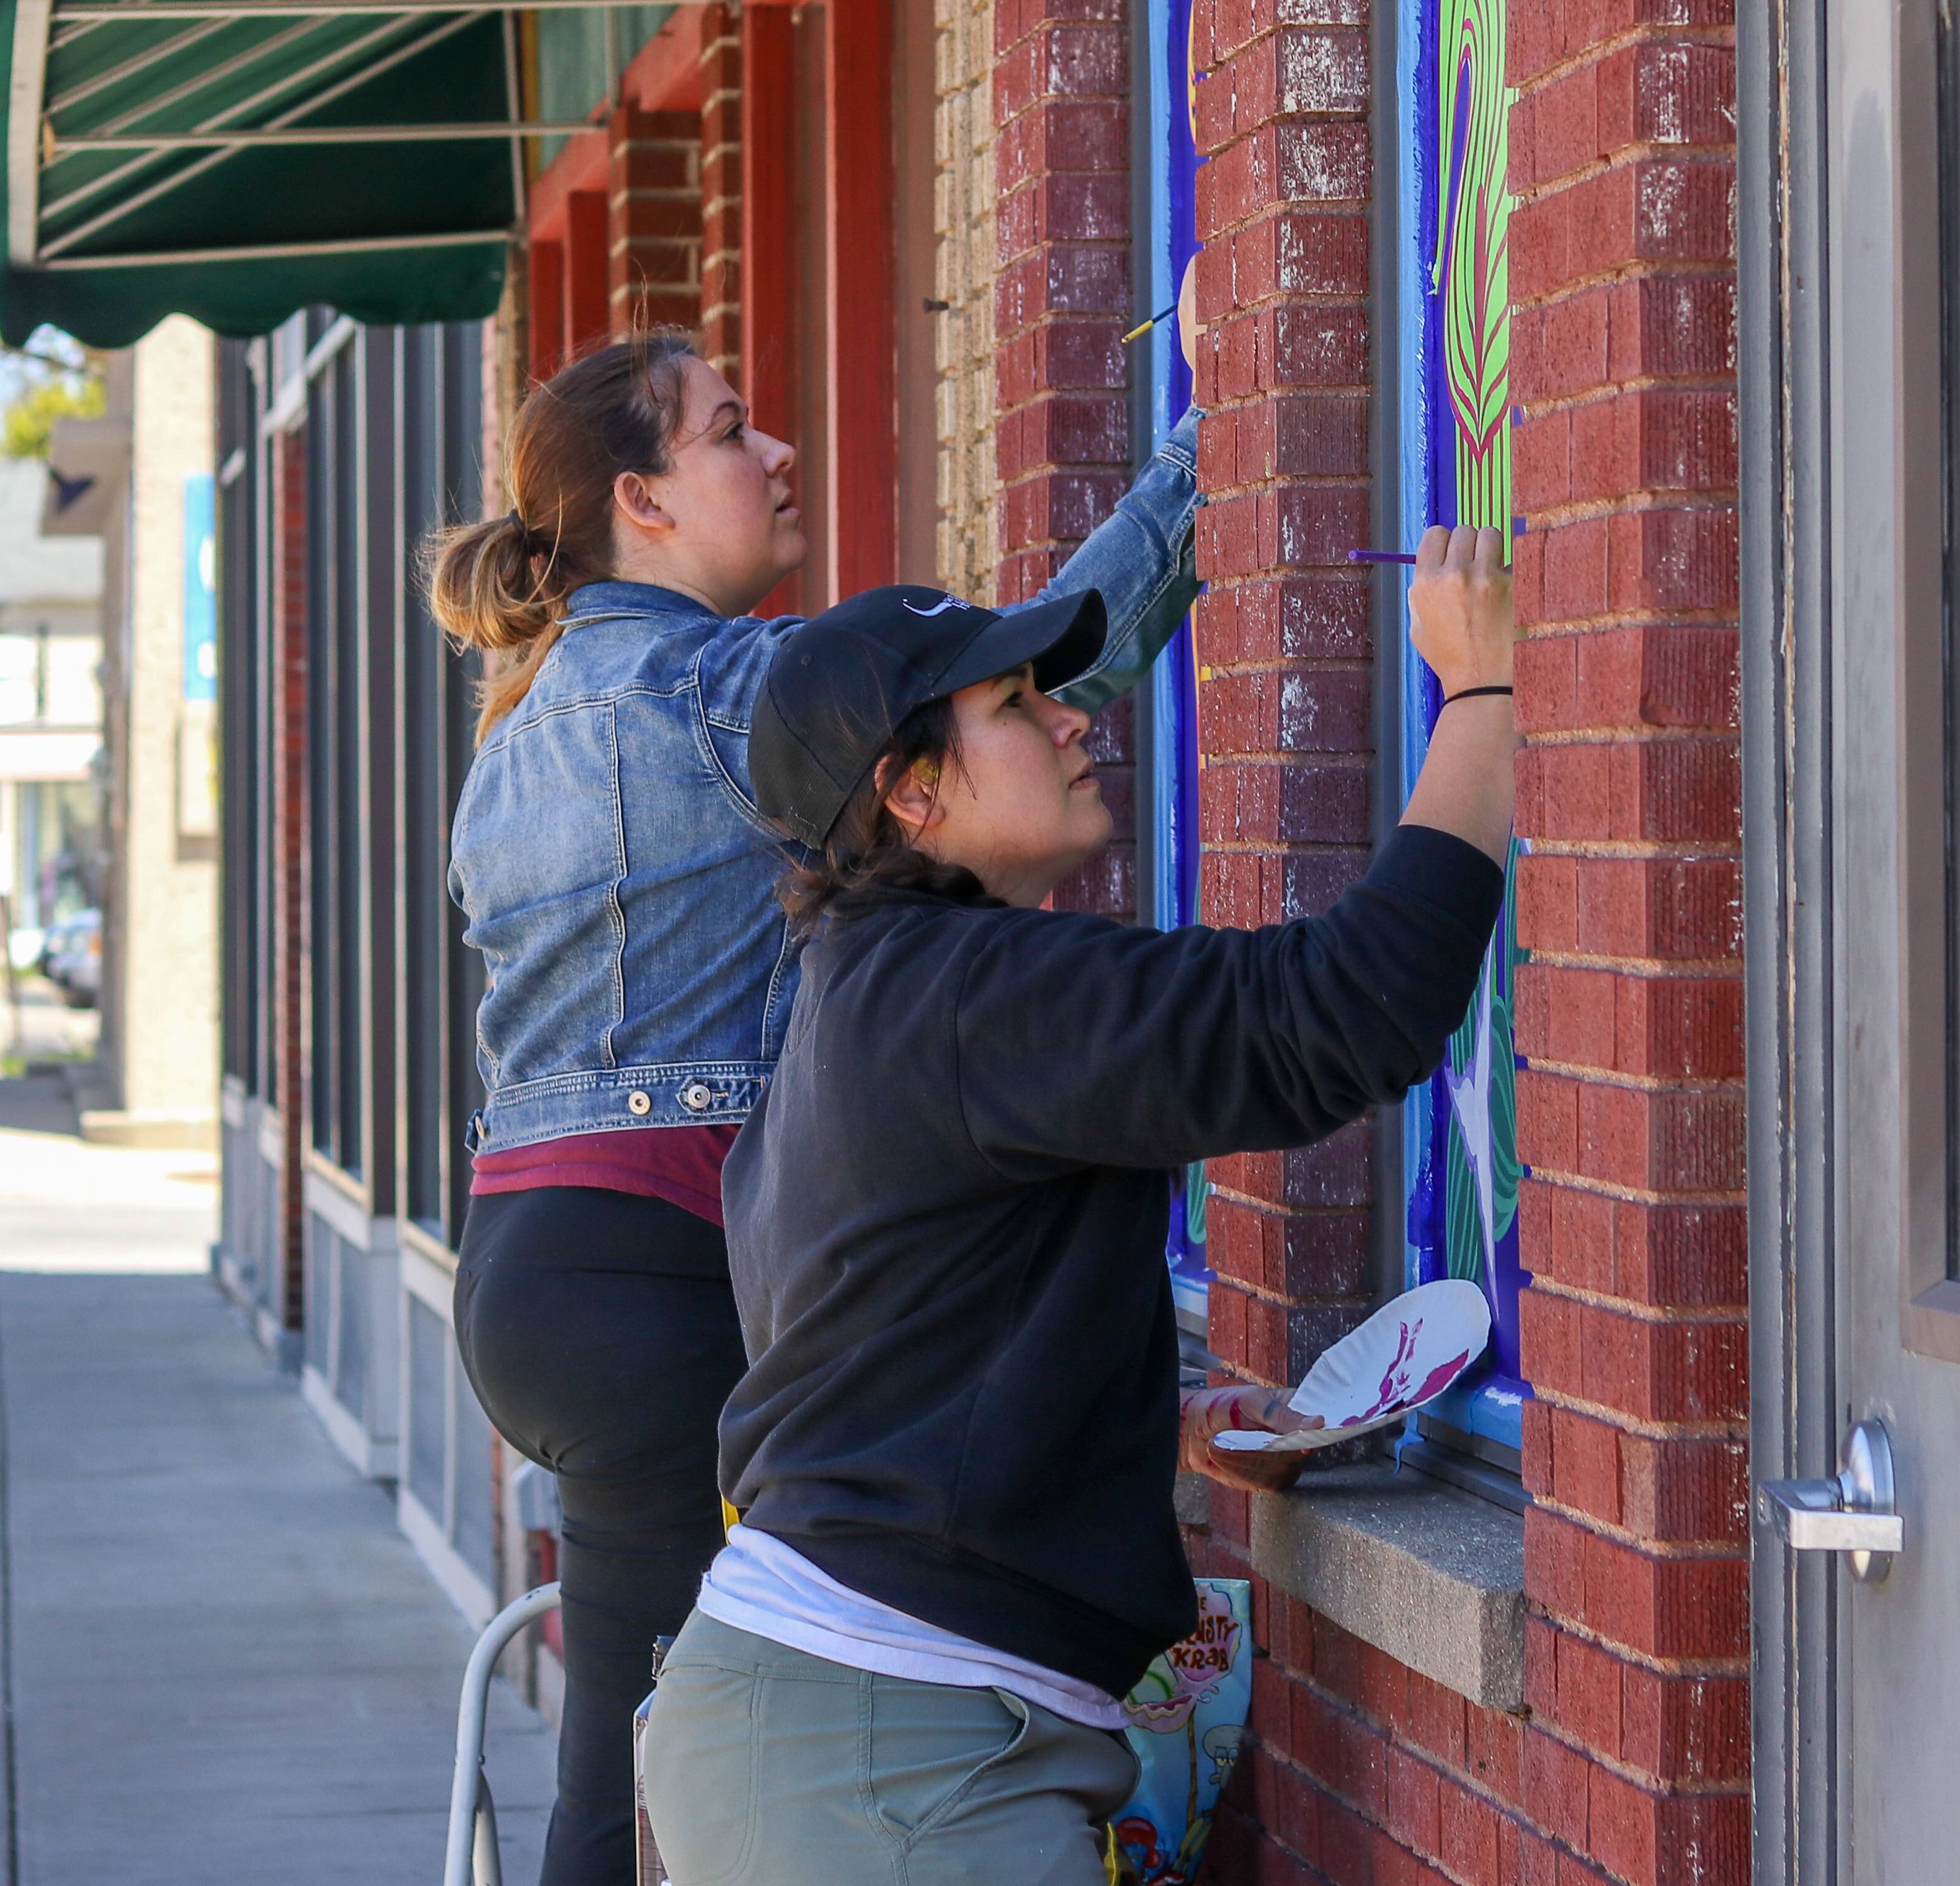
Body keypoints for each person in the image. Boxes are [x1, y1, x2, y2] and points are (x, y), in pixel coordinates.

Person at [430, 328, 1201, 1886]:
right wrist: (1199, 466)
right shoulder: (726, 686)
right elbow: (1040, 671)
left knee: (656, 1728)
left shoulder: (513, 732)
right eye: (732, 431)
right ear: (642, 500)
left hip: (530, 1262)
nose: (776, 452)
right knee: (650, 1750)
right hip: (656, 1276)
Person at [638, 528, 1520, 1885]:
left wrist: (1136, 1422)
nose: (1068, 715)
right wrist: (1483, 696)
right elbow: (1347, 1011)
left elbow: (883, 1353)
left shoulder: (867, 994)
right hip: (879, 1756)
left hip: (848, 1730)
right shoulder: (965, 991)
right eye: (1012, 703)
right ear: (912, 792)